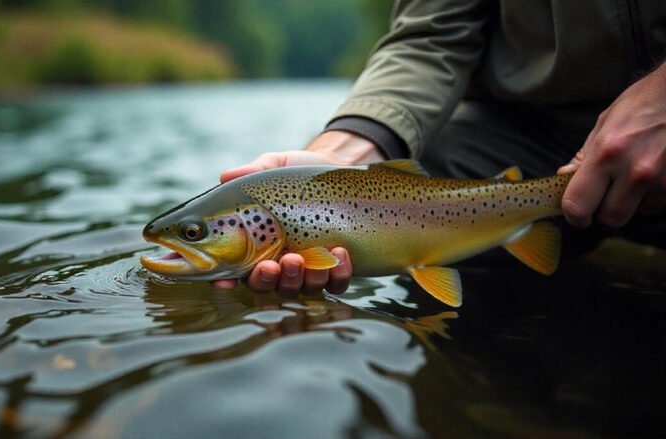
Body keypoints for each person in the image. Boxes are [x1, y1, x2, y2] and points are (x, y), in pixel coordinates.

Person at [212, 0, 666, 297]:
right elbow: (432, 36)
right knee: (437, 150)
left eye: (195, 234)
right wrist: (347, 156)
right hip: (537, 139)